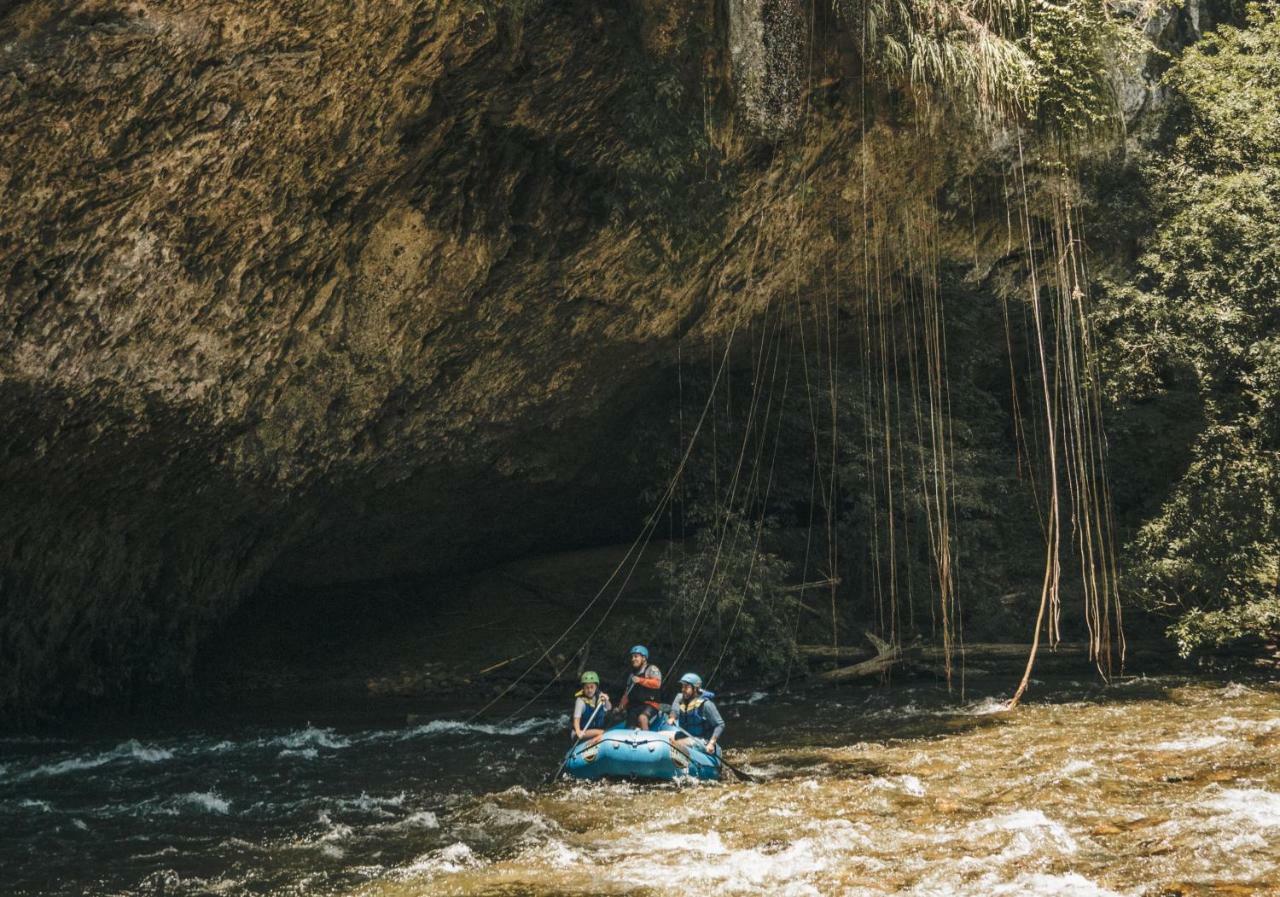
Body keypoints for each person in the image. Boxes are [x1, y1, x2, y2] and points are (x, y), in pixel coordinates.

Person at [668, 672, 724, 754]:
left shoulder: (706, 704)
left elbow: (720, 725)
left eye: (686, 687)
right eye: (682, 686)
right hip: (684, 734)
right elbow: (675, 709)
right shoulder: (680, 697)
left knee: (674, 744)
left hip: (701, 740)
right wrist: (672, 717)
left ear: (695, 689)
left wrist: (711, 743)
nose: (683, 689)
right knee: (660, 736)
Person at [617, 645, 662, 730]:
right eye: (632, 657)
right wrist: (620, 707)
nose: (633, 659)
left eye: (636, 656)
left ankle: (648, 740)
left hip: (650, 704)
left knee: (642, 718)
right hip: (635, 706)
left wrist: (640, 680)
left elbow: (657, 683)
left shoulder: (651, 669)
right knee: (629, 728)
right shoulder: (632, 675)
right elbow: (627, 693)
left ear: (644, 658)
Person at [572, 671, 611, 744]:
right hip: (582, 732)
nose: (589, 690)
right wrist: (578, 731)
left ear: (596, 687)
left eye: (592, 687)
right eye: (587, 687)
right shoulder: (580, 701)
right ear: (583, 688)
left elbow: (608, 708)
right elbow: (576, 720)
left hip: (594, 730)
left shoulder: (600, 696)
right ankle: (592, 742)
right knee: (603, 732)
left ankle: (596, 740)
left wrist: (606, 700)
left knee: (605, 731)